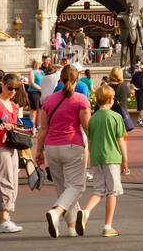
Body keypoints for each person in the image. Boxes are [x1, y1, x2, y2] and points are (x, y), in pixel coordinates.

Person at [35, 64, 90, 238]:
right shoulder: (81, 99)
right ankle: (56, 212)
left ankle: (72, 227)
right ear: (78, 79)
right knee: (76, 186)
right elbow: (87, 126)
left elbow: (43, 128)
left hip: (52, 147)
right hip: (73, 145)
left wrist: (39, 151)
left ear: (60, 80)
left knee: (63, 188)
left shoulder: (49, 100)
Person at [83, 83, 126, 236]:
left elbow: (90, 140)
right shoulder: (116, 117)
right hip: (112, 157)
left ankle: (86, 212)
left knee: (99, 190)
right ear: (109, 99)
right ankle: (108, 226)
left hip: (97, 157)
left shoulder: (93, 120)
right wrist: (125, 161)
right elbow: (121, 141)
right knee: (112, 192)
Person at [0, 74, 24, 233]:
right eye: (10, 88)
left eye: (16, 89)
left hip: (11, 144)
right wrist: (1, 126)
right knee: (5, 180)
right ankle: (3, 219)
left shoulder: (13, 104)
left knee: (13, 180)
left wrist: (18, 129)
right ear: (2, 85)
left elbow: (15, 124)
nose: (12, 91)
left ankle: (7, 216)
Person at [109, 66, 134, 174]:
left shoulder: (108, 87)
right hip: (121, 118)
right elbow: (129, 94)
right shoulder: (123, 86)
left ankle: (112, 165)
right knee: (122, 142)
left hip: (109, 117)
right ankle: (124, 166)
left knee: (110, 142)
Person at [131, 61, 143, 127]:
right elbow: (132, 82)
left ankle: (139, 119)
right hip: (139, 93)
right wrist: (134, 87)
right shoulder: (136, 74)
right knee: (141, 108)